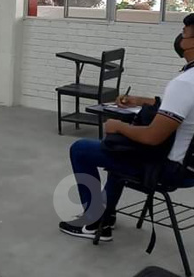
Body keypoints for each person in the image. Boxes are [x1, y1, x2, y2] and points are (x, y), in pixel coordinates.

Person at [59, 13, 194, 241]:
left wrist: (118, 126)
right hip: (189, 166)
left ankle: (94, 221)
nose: (180, 37)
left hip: (167, 169)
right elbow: (183, 109)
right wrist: (140, 101)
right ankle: (105, 215)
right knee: (119, 149)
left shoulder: (184, 83)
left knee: (82, 149)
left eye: (184, 33)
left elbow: (152, 137)